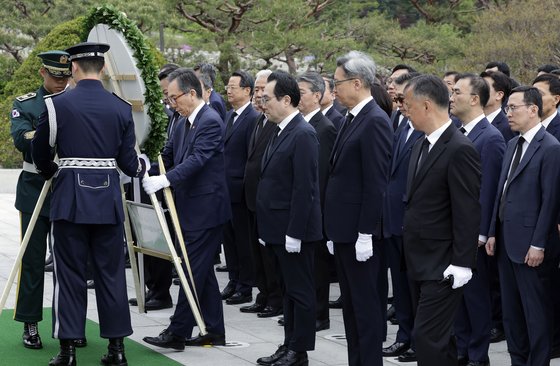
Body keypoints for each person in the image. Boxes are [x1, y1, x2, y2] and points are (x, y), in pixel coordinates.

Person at [31, 42, 148, 366]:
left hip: (70, 199)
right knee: (111, 275)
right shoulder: (121, 108)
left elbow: (40, 152)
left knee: (68, 275)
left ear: (74, 68)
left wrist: (52, 171)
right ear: (104, 69)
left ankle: (68, 352)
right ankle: (117, 350)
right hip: (107, 201)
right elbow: (128, 164)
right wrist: (143, 168)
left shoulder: (57, 105)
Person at [142, 68, 230, 350]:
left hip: (206, 210)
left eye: (174, 98)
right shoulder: (182, 122)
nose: (171, 104)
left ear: (192, 93)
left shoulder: (210, 121)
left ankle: (177, 332)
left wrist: (164, 179)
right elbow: (169, 155)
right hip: (188, 207)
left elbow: (198, 160)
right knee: (201, 273)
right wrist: (145, 168)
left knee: (190, 271)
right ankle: (214, 330)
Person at [402, 74, 481, 366]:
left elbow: (468, 209)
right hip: (417, 259)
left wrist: (463, 262)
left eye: (408, 104)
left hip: (443, 264)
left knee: (426, 339)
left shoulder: (460, 148)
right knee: (438, 339)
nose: (404, 110)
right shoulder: (420, 145)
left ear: (425, 106)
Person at [323, 51, 393, 366]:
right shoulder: (352, 116)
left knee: (366, 308)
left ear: (357, 82)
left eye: (337, 83)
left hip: (360, 234)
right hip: (344, 230)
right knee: (351, 308)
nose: (333, 89)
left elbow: (376, 182)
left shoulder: (375, 120)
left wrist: (366, 232)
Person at [486, 86, 560, 366]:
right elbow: (501, 191)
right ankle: (518, 360)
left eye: (513, 108)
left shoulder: (551, 148)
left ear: (533, 109)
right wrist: (493, 230)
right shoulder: (511, 144)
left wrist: (539, 243)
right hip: (506, 241)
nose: (508, 114)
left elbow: (550, 202)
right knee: (511, 312)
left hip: (532, 246)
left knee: (535, 312)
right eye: (507, 109)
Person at [255, 70, 322, 366]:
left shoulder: (303, 134)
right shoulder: (280, 129)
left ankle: (300, 350)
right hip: (277, 229)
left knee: (301, 292)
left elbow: (304, 189)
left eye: (266, 98)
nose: (262, 104)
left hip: (295, 231)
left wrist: (294, 233)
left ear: (286, 99)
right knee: (288, 292)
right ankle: (289, 344)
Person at [10, 50, 71, 350]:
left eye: (66, 77)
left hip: (66, 188)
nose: (61, 82)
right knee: (33, 262)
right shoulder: (26, 103)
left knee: (67, 263)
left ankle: (68, 325)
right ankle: (30, 322)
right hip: (35, 187)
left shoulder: (73, 102)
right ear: (42, 74)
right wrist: (51, 133)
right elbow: (22, 138)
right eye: (55, 76)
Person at [450, 74, 506, 366]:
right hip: (454, 231)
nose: (451, 96)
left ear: (474, 99)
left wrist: (482, 233)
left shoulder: (491, 137)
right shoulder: (458, 132)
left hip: (474, 235)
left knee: (476, 298)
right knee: (457, 297)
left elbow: (489, 191)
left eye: (457, 91)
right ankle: (462, 349)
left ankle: (477, 356)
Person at [381, 71, 423, 362]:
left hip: (415, 222)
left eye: (404, 98)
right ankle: (404, 336)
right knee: (401, 288)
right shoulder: (399, 123)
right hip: (394, 219)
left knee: (417, 289)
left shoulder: (426, 130)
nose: (400, 103)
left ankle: (419, 342)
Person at [240, 69, 283, 318]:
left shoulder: (279, 124)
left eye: (263, 90)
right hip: (252, 197)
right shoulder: (259, 119)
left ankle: (275, 299)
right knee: (256, 252)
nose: (258, 95)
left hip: (268, 199)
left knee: (270, 256)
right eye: (256, 90)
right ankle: (263, 294)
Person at [296, 71, 337, 332]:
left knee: (318, 267)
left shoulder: (325, 128)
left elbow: (321, 175)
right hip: (306, 208)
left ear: (317, 95)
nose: (297, 98)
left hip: (318, 208)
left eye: (301, 93)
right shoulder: (302, 124)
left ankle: (320, 315)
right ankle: (308, 312)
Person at [220, 70, 259, 305]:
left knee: (244, 242)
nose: (228, 90)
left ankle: (245, 285)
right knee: (230, 241)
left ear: (247, 90)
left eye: (233, 86)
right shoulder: (228, 116)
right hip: (225, 189)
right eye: (227, 86)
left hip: (241, 191)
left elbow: (250, 157)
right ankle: (233, 280)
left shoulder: (252, 117)